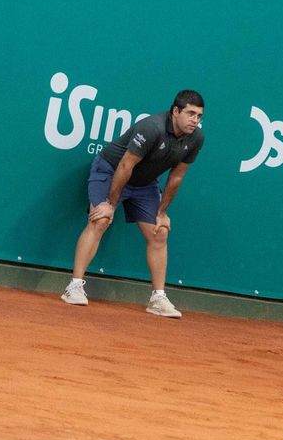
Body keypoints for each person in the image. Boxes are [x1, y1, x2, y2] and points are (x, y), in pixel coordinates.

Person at [61, 90, 204, 319]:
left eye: (199, 116)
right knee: (101, 219)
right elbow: (125, 166)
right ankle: (74, 286)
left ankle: (158, 298)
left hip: (145, 184)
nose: (195, 120)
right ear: (175, 111)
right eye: (190, 113)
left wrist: (162, 212)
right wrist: (110, 203)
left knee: (160, 232)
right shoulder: (151, 127)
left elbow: (176, 177)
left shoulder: (196, 138)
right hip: (111, 171)